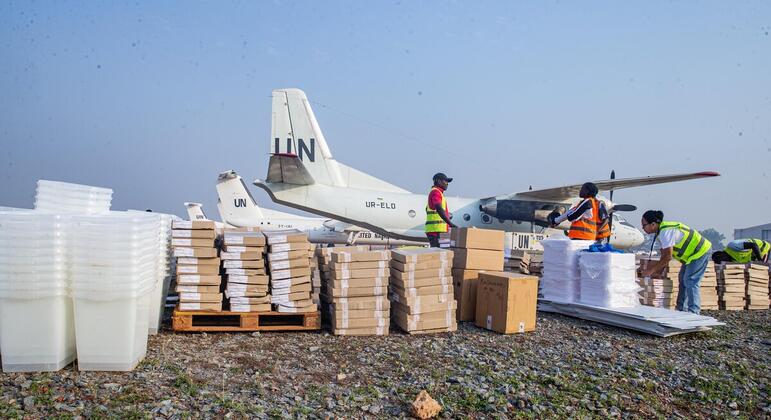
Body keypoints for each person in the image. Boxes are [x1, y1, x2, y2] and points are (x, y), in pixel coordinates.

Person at [640, 210, 712, 314]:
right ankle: (681, 309)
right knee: (682, 279)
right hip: (690, 256)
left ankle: (694, 311)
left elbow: (668, 256)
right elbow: (664, 256)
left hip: (700, 251)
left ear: (653, 224)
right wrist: (658, 273)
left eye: (644, 225)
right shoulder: (660, 234)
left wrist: (651, 271)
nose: (643, 228)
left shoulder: (666, 232)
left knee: (690, 280)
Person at [425, 172, 456, 247]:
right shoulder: (436, 192)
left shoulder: (438, 193)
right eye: (446, 181)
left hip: (441, 230)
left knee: (445, 251)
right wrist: (450, 224)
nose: (447, 184)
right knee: (439, 252)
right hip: (436, 231)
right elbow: (438, 208)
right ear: (439, 181)